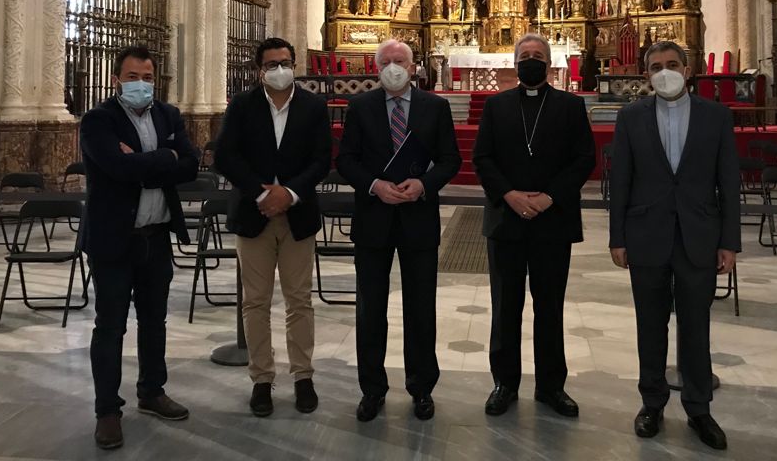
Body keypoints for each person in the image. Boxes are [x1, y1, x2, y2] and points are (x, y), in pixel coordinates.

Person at [608, 40, 740, 451]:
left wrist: (729, 242)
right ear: (645, 74)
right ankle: (652, 401)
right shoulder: (631, 117)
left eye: (671, 64)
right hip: (647, 234)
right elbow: (622, 181)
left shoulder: (715, 116)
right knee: (650, 324)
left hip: (698, 235)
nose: (663, 72)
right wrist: (617, 237)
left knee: (696, 326)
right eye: (655, 66)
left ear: (687, 70)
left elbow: (728, 183)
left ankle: (699, 407)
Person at [79, 46, 200, 450]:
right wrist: (164, 159)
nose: (141, 84)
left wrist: (153, 159)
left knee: (154, 321)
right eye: (132, 77)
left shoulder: (167, 115)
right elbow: (115, 168)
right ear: (117, 80)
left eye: (147, 77)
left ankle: (151, 391)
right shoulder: (99, 120)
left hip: (156, 237)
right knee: (110, 326)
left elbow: (191, 164)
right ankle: (107, 411)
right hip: (115, 240)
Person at [336, 39, 461, 422]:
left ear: (412, 67)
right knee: (370, 309)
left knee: (420, 308)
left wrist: (424, 184)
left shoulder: (435, 107)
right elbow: (346, 161)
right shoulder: (360, 107)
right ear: (377, 68)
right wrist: (375, 185)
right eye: (386, 61)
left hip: (417, 217)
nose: (393, 66)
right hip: (374, 217)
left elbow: (450, 159)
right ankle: (372, 389)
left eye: (400, 61)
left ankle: (421, 387)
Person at [472, 33, 596, 418]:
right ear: (514, 62)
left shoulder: (570, 106)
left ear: (549, 62)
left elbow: (583, 159)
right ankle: (504, 383)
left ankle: (551, 386)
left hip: (552, 221)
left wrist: (548, 197)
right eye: (524, 56)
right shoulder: (496, 106)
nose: (531, 61)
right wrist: (509, 195)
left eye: (537, 56)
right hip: (506, 220)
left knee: (549, 307)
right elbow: (483, 157)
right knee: (505, 307)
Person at [213, 37, 332, 418]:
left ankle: (303, 377)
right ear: (258, 70)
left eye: (285, 62)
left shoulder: (313, 106)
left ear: (294, 64)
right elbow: (225, 156)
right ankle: (262, 379)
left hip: (298, 215)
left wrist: (291, 193)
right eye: (272, 64)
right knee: (256, 301)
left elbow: (322, 158)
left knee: (299, 300)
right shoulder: (242, 105)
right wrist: (261, 195)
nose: (280, 69)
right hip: (254, 215)